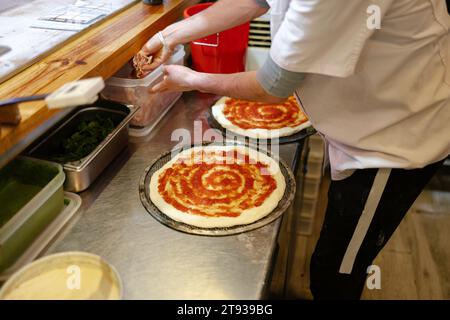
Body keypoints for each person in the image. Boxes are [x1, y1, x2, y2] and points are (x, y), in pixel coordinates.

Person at [136, 0, 450, 299]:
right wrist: (169, 36)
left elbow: (273, 85)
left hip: (394, 140)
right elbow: (258, 1)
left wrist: (192, 79)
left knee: (336, 273)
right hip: (365, 112)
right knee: (332, 259)